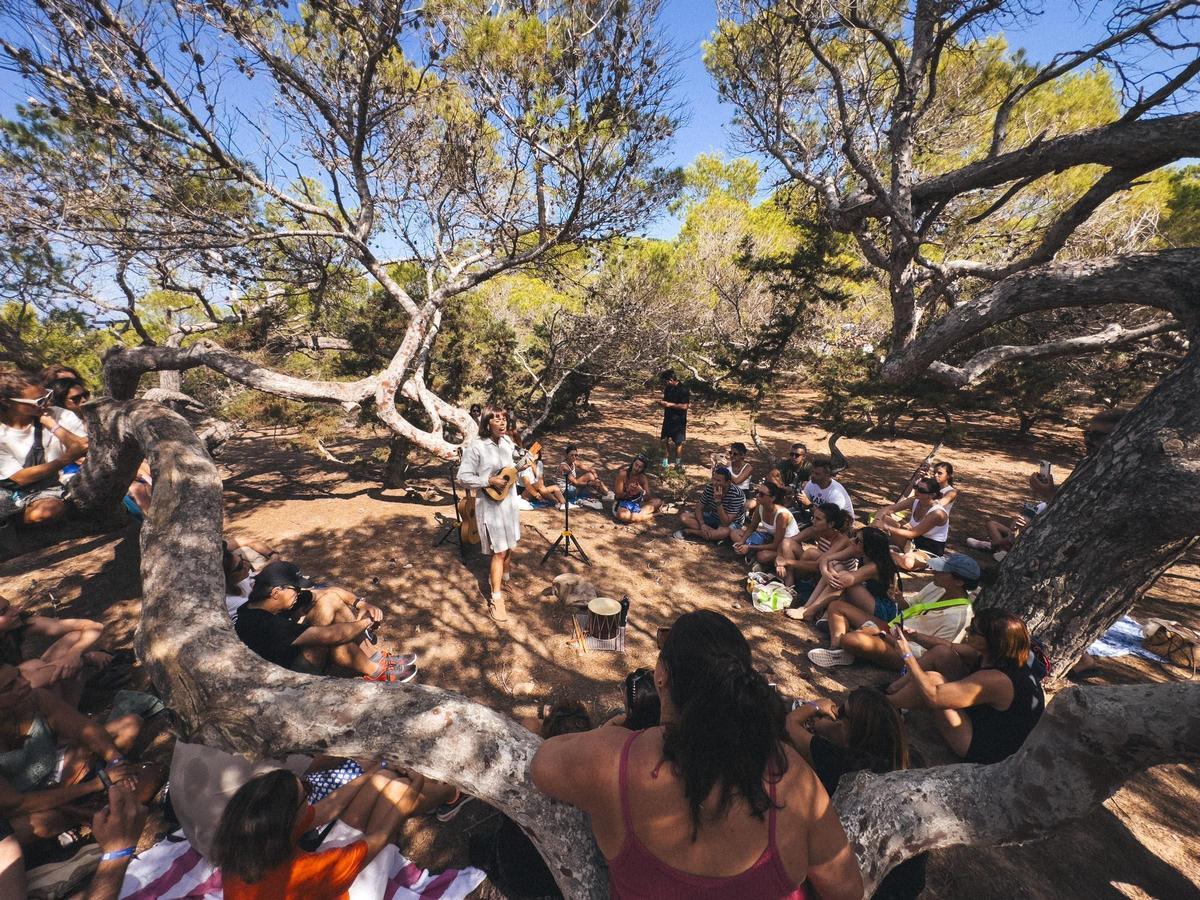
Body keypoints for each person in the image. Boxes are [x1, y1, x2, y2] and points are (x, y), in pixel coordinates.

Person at [531, 610, 864, 899]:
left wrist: (610, 732)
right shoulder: (790, 777)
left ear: (661, 676)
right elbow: (846, 890)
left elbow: (543, 762)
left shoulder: (612, 760)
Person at [785, 689, 926, 900]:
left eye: (842, 712)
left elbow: (791, 725)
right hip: (904, 887)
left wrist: (816, 706)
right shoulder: (911, 757)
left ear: (854, 729)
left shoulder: (846, 763)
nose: (836, 713)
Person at [0, 664, 156, 847]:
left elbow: (86, 730)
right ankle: (87, 810)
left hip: (58, 774)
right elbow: (15, 804)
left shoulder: (37, 699)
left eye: (19, 676)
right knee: (36, 825)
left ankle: (85, 810)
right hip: (26, 807)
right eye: (10, 686)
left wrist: (115, 759)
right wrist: (96, 784)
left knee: (130, 725)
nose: (24, 683)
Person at [212, 765, 425, 899]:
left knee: (382, 779)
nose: (310, 794)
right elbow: (381, 836)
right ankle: (447, 793)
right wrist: (414, 791)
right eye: (307, 791)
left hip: (309, 886)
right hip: (342, 892)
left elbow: (328, 808)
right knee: (398, 791)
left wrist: (374, 770)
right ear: (290, 818)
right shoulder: (306, 871)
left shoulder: (253, 836)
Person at [887, 610, 1045, 764]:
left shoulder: (997, 680)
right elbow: (947, 646)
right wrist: (913, 636)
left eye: (974, 630)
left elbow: (934, 695)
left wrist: (907, 656)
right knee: (942, 653)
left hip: (982, 746)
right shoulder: (998, 655)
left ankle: (886, 704)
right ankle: (892, 689)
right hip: (982, 717)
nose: (968, 630)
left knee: (933, 681)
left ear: (991, 641)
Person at [233, 561, 416, 682]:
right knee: (334, 638)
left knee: (330, 601)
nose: (298, 593)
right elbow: (329, 635)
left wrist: (361, 604)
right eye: (295, 589)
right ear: (276, 593)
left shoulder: (274, 602)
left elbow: (330, 592)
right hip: (292, 675)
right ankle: (377, 671)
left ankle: (372, 656)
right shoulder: (259, 623)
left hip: (295, 650)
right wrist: (365, 622)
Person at [830, 553, 980, 672]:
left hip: (906, 652)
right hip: (894, 628)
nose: (935, 571)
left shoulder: (959, 617)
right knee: (837, 607)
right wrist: (899, 599)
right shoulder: (937, 586)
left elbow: (929, 653)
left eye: (942, 571)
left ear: (959, 582)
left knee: (852, 640)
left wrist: (886, 637)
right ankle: (836, 649)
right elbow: (911, 605)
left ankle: (849, 644)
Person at [456, 407, 523, 623]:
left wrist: (524, 465)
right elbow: (463, 477)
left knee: (510, 545)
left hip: (510, 503)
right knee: (499, 551)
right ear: (486, 423)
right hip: (491, 507)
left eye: (504, 419)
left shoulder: (508, 443)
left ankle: (505, 580)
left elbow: (511, 472)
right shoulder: (476, 447)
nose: (502, 423)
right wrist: (487, 480)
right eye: (496, 420)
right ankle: (496, 598)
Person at [0, 370, 87, 527]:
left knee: (48, 511)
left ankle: (17, 522)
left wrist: (53, 426)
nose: (46, 403)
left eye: (48, 395)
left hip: (47, 488)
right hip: (9, 492)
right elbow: (19, 477)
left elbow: (85, 446)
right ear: (7, 402)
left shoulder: (57, 414)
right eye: (38, 401)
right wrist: (66, 458)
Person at [794, 527, 901, 647]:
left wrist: (830, 573)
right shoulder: (859, 550)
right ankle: (808, 607)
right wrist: (826, 572)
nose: (852, 540)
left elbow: (845, 581)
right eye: (855, 537)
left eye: (858, 540)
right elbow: (827, 558)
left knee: (842, 577)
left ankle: (810, 611)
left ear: (869, 548)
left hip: (883, 609)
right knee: (837, 569)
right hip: (868, 597)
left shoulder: (875, 566)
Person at [0, 593, 108, 695]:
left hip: (24, 683)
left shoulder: (19, 624)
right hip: (9, 696)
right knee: (34, 666)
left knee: (75, 637)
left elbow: (94, 626)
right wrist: (84, 660)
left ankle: (69, 709)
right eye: (3, 612)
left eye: (9, 606)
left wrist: (73, 653)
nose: (15, 611)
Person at [874, 476, 950, 571]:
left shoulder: (937, 513)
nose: (916, 491)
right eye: (916, 487)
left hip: (928, 550)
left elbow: (913, 533)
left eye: (921, 490)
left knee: (908, 563)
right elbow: (887, 509)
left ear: (932, 495)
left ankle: (888, 552)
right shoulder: (914, 501)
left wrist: (885, 527)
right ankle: (891, 553)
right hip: (911, 542)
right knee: (884, 518)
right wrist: (877, 521)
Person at [773, 504, 853, 587]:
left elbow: (819, 565)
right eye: (813, 517)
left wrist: (786, 562)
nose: (813, 521)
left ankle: (791, 583)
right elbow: (785, 542)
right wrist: (780, 557)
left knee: (811, 553)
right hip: (819, 567)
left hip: (835, 574)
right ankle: (789, 584)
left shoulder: (841, 540)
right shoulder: (815, 530)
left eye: (818, 519)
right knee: (787, 542)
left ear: (831, 524)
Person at [732, 482, 801, 566]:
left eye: (761, 494)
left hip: (785, 547)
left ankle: (759, 557)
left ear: (772, 498)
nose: (757, 495)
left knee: (763, 556)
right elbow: (751, 528)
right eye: (757, 492)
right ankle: (753, 554)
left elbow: (776, 545)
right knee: (735, 533)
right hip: (770, 539)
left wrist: (749, 547)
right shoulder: (760, 507)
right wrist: (741, 542)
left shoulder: (782, 515)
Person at [675, 466, 747, 543]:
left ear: (728, 482)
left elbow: (726, 523)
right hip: (713, 516)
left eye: (718, 480)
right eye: (714, 479)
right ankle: (714, 535)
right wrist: (702, 524)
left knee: (724, 531)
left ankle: (691, 532)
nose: (714, 483)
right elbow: (699, 508)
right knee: (684, 517)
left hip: (731, 523)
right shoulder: (710, 487)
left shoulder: (737, 495)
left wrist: (718, 501)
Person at [557, 445, 614, 511]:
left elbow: (591, 469)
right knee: (591, 479)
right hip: (566, 492)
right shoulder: (564, 466)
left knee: (591, 476)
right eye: (572, 455)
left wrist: (597, 479)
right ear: (566, 455)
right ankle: (605, 493)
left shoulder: (574, 463)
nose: (574, 457)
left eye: (576, 455)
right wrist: (590, 483)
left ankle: (605, 493)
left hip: (571, 486)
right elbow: (576, 482)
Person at [613, 453, 663, 524]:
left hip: (636, 505)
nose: (637, 468)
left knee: (658, 502)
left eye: (640, 467)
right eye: (636, 465)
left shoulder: (643, 478)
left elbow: (648, 498)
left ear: (643, 469)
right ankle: (653, 515)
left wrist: (642, 491)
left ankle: (635, 517)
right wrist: (628, 491)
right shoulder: (623, 475)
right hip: (622, 506)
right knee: (623, 515)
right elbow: (617, 496)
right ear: (632, 463)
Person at [800, 456, 854, 522]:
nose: (812, 476)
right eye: (812, 472)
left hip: (838, 524)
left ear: (827, 475)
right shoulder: (811, 483)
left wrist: (809, 505)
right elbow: (804, 503)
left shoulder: (836, 493)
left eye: (817, 474)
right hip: (818, 519)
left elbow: (828, 518)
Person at [515, 445, 567, 511]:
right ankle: (556, 501)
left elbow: (541, 481)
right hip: (525, 493)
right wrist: (537, 495)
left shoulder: (539, 463)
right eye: (532, 453)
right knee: (537, 485)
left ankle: (564, 504)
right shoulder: (524, 466)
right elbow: (527, 485)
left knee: (555, 487)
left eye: (537, 452)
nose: (535, 455)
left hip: (538, 488)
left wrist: (542, 492)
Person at [658, 370, 690, 472]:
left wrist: (670, 405)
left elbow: (685, 406)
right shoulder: (668, 388)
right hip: (668, 418)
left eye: (666, 381)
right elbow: (666, 401)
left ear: (671, 380)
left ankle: (678, 464)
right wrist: (662, 403)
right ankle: (665, 463)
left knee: (679, 443)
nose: (665, 384)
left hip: (679, 421)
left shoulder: (683, 389)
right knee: (664, 440)